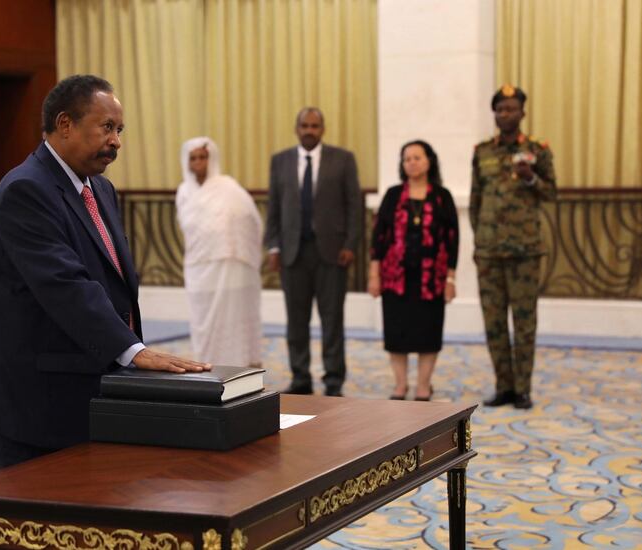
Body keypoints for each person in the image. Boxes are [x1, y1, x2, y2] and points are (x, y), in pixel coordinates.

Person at [0, 75, 209, 471]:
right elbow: (66, 286)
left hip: (83, 390)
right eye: (106, 127)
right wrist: (134, 352)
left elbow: (111, 280)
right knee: (31, 526)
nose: (116, 141)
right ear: (65, 125)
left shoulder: (99, 189)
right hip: (27, 404)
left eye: (120, 130)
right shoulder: (26, 190)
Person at [264, 107, 362, 397]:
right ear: (297, 128)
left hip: (332, 253)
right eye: (304, 126)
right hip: (293, 254)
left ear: (323, 129)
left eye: (314, 126)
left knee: (332, 320)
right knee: (296, 320)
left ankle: (334, 379)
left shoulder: (343, 159)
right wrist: (274, 245)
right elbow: (275, 207)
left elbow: (354, 206)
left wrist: (350, 245)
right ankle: (301, 377)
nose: (309, 130)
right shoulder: (280, 161)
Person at [470, 84, 557, 410]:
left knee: (524, 322)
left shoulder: (538, 150)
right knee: (493, 323)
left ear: (522, 112)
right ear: (494, 113)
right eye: (500, 109)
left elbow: (551, 194)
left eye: (511, 108)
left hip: (525, 251)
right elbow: (476, 201)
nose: (505, 114)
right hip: (490, 252)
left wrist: (531, 178)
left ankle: (522, 389)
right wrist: (480, 240)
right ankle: (503, 386)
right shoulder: (482, 152)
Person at [368, 141, 459, 401]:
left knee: (428, 332)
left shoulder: (443, 196)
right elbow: (379, 238)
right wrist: (374, 275)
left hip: (431, 279)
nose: (412, 162)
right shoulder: (393, 195)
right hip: (395, 277)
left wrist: (450, 278)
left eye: (417, 157)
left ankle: (422, 386)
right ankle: (400, 385)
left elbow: (452, 241)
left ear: (429, 161)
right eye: (407, 159)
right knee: (397, 331)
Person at [176, 137, 263, 367]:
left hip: (230, 266)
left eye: (203, 157)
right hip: (199, 266)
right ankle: (207, 364)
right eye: (193, 158)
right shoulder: (184, 192)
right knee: (202, 320)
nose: (198, 163)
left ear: (211, 158)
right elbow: (188, 226)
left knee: (233, 319)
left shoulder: (228, 188)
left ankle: (241, 366)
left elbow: (250, 219)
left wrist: (231, 242)